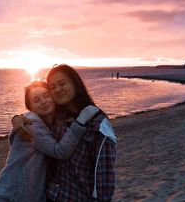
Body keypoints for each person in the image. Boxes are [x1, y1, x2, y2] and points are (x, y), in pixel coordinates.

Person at [13, 64, 117, 201]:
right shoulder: (56, 116)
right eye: (52, 87)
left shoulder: (97, 124)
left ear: (75, 83)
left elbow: (105, 181)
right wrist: (16, 119)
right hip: (50, 196)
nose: (58, 89)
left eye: (62, 84)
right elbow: (35, 116)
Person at [0, 80, 99, 202]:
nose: (43, 102)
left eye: (46, 95)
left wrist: (16, 118)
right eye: (36, 100)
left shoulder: (50, 122)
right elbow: (60, 151)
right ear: (30, 107)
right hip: (14, 196)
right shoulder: (31, 124)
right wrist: (81, 121)